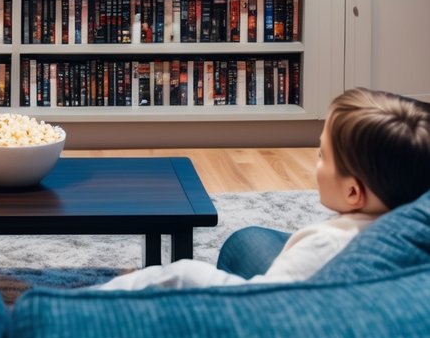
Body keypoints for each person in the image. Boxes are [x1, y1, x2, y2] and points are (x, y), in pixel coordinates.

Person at [97, 86, 430, 291]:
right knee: (246, 239)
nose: (316, 163)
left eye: (322, 155)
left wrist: (183, 276)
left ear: (353, 193)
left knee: (195, 267)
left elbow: (263, 309)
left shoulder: (325, 247)